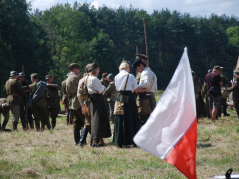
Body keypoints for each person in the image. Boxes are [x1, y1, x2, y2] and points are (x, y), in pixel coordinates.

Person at [113, 60, 147, 148]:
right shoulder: (130, 76)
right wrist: (145, 90)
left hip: (120, 97)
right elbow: (136, 88)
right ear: (127, 67)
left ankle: (119, 141)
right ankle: (131, 140)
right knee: (131, 118)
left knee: (120, 117)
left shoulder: (116, 76)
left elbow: (117, 88)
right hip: (129, 97)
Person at [86, 60, 111, 147]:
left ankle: (98, 140)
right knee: (99, 119)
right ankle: (97, 141)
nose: (99, 71)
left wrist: (101, 89)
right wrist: (103, 88)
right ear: (94, 70)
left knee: (95, 118)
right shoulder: (94, 79)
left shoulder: (89, 78)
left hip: (94, 99)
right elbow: (102, 90)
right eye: (98, 69)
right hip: (98, 99)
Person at [132, 58, 157, 127]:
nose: (138, 71)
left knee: (144, 120)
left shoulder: (144, 72)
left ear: (141, 65)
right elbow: (155, 88)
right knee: (151, 119)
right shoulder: (152, 73)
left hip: (144, 99)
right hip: (151, 97)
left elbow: (146, 83)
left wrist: (136, 87)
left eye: (137, 68)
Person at [66, 63, 85, 147]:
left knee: (76, 123)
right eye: (78, 69)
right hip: (78, 101)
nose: (79, 70)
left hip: (72, 102)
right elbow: (82, 88)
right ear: (74, 69)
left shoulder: (68, 77)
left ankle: (77, 141)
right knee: (85, 121)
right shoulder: (75, 78)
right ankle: (83, 141)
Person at [77, 64, 92, 147]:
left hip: (85, 103)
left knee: (87, 123)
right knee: (92, 123)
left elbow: (78, 95)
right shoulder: (93, 79)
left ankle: (81, 141)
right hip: (93, 104)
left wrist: (82, 105)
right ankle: (93, 141)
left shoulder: (81, 80)